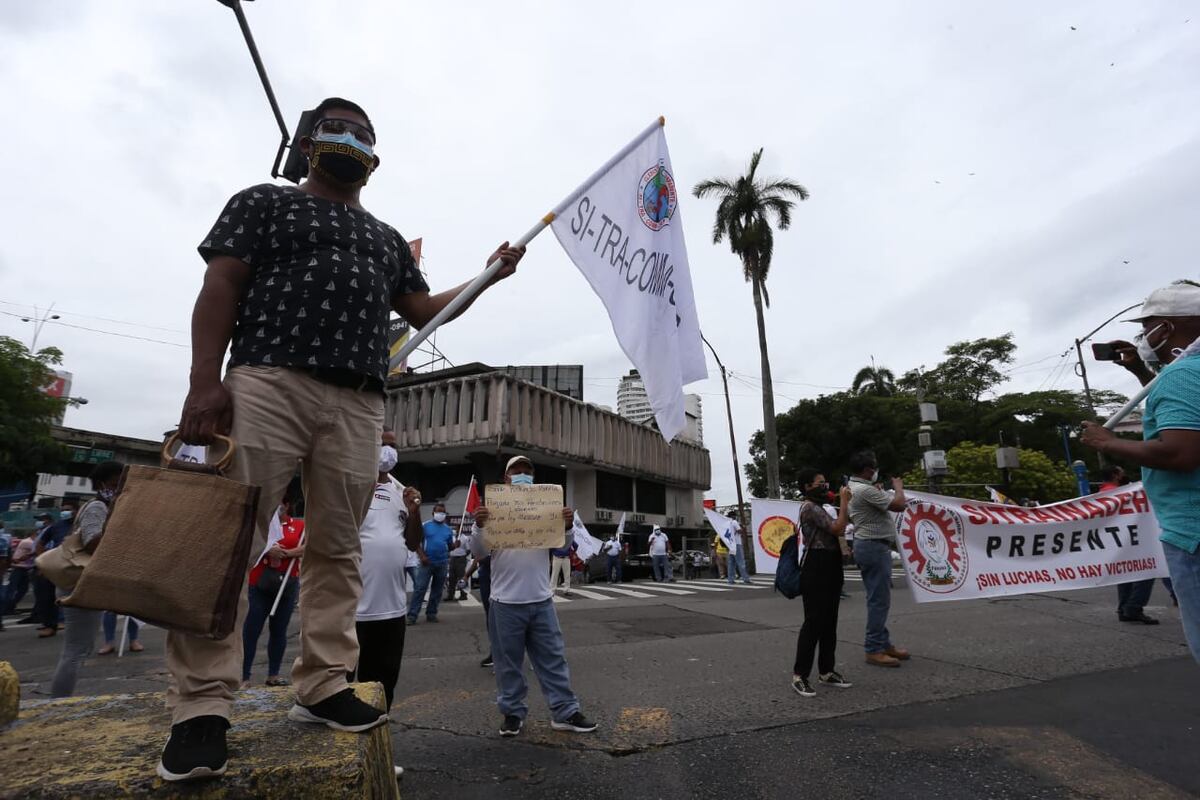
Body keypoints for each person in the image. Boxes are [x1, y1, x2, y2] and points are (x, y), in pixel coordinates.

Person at [169, 96, 526, 782]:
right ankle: (200, 707)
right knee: (229, 541)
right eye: (337, 126)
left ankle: (325, 683)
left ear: (374, 160)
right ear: (308, 144)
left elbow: (424, 310)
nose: (350, 137)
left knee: (340, 548)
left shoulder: (387, 240)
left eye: (363, 132)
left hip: (359, 402)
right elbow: (222, 283)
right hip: (267, 382)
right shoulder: (265, 203)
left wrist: (488, 275)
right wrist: (203, 382)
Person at [1081, 280, 1200, 663]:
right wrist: (1138, 369)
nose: (1143, 334)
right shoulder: (1186, 373)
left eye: (1147, 325)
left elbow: (1180, 451)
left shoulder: (1182, 376)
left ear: (1165, 327)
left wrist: (1105, 443)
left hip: (1192, 531)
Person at [471, 456, 597, 737]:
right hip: (504, 603)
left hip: (541, 600)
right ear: (506, 478)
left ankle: (565, 712)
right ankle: (513, 713)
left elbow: (561, 547)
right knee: (507, 665)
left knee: (553, 660)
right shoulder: (491, 510)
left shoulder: (546, 508)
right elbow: (478, 553)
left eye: (528, 471)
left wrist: (565, 526)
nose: (522, 475)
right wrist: (479, 526)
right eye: (516, 471)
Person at [353, 445, 423, 779]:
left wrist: (413, 511)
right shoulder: (351, 486)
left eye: (393, 442)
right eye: (382, 439)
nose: (388, 449)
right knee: (344, 688)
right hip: (353, 610)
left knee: (383, 687)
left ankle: (376, 753)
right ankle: (347, 756)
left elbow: (412, 543)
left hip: (392, 609)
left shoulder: (400, 493)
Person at [47, 461, 124, 697]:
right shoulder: (97, 507)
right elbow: (92, 542)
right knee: (76, 651)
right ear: (103, 484)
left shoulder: (98, 506)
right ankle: (58, 703)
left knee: (78, 649)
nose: (120, 488)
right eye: (116, 483)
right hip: (79, 584)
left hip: (79, 584)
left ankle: (59, 700)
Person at [792, 469, 854, 697]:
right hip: (815, 567)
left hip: (830, 563)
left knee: (830, 621)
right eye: (820, 483)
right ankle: (800, 675)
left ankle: (826, 670)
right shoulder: (809, 507)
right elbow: (837, 528)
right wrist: (845, 502)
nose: (825, 485)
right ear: (808, 487)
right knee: (813, 623)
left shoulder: (820, 507)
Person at [846, 451, 910, 668]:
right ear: (867, 470)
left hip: (869, 545)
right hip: (873, 546)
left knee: (878, 598)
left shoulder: (855, 487)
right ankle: (874, 648)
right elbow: (900, 505)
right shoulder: (864, 489)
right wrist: (899, 487)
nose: (876, 471)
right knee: (879, 600)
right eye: (873, 468)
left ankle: (883, 643)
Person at [241, 498, 306, 688]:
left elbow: (307, 546)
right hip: (259, 584)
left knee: (279, 631)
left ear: (286, 505)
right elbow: (251, 543)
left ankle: (273, 675)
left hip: (287, 584)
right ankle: (244, 676)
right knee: (251, 631)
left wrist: (286, 554)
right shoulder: (262, 525)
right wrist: (269, 550)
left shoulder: (299, 525)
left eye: (280, 504)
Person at [1097, 465, 1159, 625]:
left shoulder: (1101, 494)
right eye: (1121, 471)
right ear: (1116, 475)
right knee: (1147, 571)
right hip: (1130, 540)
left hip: (1116, 542)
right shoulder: (1120, 493)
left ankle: (1124, 608)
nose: (1124, 474)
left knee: (1125, 574)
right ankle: (1133, 607)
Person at [33, 501, 78, 638]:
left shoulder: (81, 525)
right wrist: (43, 563)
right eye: (63, 509)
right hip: (56, 566)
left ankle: (75, 625)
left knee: (76, 597)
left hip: (76, 566)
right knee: (47, 595)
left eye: (68, 509)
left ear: (76, 511)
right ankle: (49, 625)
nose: (64, 512)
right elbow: (40, 544)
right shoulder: (56, 526)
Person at [408, 503, 455, 623]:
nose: (441, 514)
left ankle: (431, 613)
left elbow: (449, 547)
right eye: (439, 512)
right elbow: (416, 542)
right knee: (420, 589)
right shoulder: (425, 526)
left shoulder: (448, 529)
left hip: (442, 563)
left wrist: (455, 545)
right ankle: (412, 616)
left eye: (443, 512)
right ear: (433, 513)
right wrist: (422, 556)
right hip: (426, 563)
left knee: (437, 590)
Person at [5, 526, 40, 617]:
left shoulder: (31, 542)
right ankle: (7, 607)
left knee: (22, 589)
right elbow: (37, 549)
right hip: (19, 568)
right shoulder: (28, 542)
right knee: (13, 589)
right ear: (34, 534)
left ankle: (10, 606)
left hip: (25, 568)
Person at [444, 513, 471, 603]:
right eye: (456, 528)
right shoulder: (452, 537)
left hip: (461, 559)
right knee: (451, 578)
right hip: (452, 559)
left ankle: (463, 594)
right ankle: (450, 595)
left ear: (461, 529)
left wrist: (463, 556)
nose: (457, 530)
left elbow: (468, 550)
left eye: (459, 528)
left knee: (461, 577)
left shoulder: (465, 538)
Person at [726, 520, 752, 585]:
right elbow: (739, 531)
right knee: (741, 562)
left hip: (730, 544)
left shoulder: (727, 523)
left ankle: (730, 580)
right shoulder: (734, 522)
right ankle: (746, 579)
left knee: (731, 563)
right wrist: (742, 527)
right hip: (737, 544)